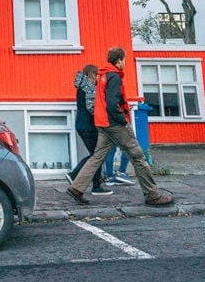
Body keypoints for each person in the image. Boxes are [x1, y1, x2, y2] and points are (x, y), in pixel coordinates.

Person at [65, 46, 173, 207]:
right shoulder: (114, 77)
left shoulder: (102, 76)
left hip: (102, 123)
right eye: (124, 60)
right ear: (119, 60)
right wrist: (122, 119)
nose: (125, 63)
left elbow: (103, 100)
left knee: (97, 156)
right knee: (138, 156)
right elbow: (111, 102)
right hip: (114, 123)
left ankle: (76, 188)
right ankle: (152, 195)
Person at [65, 65, 112, 196]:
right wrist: (105, 116)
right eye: (97, 74)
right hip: (89, 126)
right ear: (92, 74)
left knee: (96, 155)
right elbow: (92, 108)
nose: (99, 77)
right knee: (97, 155)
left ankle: (96, 185)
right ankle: (75, 175)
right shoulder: (90, 87)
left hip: (82, 125)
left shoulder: (82, 86)